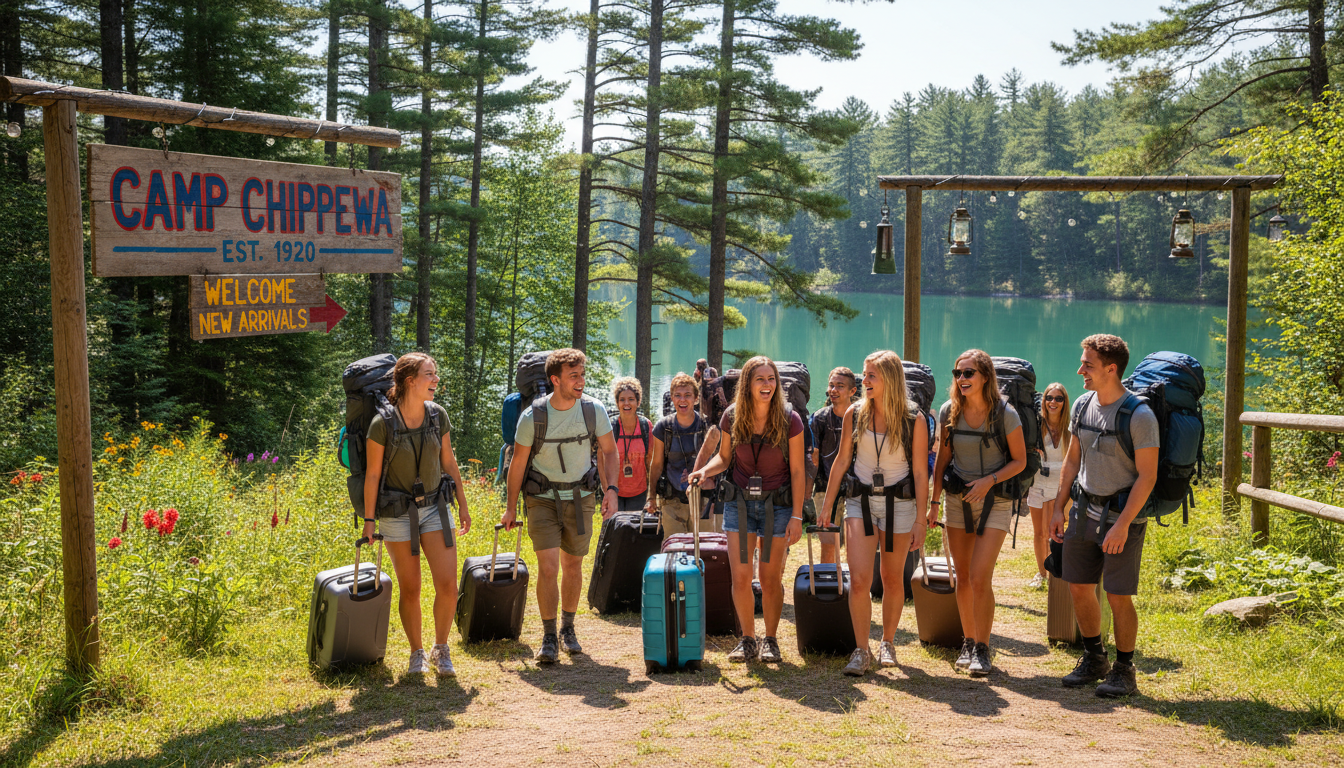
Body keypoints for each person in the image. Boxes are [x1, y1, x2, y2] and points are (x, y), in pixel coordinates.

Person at [1050, 334, 1158, 698]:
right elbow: (1072, 460)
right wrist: (1057, 507)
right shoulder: (1081, 405)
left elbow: (1148, 475)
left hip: (1121, 518)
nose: (1080, 370)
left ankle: (1124, 669)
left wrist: (1124, 525)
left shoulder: (1140, 416)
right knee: (1079, 587)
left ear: (1111, 369)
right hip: (1082, 511)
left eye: (1088, 365)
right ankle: (1094, 658)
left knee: (1117, 594)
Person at [504, 348, 620, 665]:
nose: (581, 381)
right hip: (541, 498)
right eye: (574, 376)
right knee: (549, 567)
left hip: (580, 498)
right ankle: (549, 635)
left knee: (572, 566)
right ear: (555, 379)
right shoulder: (533, 417)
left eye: (582, 374)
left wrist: (611, 490)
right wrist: (511, 507)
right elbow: (518, 463)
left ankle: (569, 628)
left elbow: (610, 452)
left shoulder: (594, 411)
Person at [690, 356, 806, 664]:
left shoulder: (790, 420)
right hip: (739, 505)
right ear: (748, 384)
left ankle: (770, 639)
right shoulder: (732, 416)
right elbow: (724, 458)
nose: (767, 385)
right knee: (741, 577)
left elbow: (797, 471)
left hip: (777, 508)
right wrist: (704, 471)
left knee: (769, 578)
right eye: (760, 379)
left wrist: (797, 515)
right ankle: (747, 639)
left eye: (771, 379)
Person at [362, 353, 472, 676]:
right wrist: (370, 521)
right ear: (410, 380)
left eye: (435, 374)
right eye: (429, 375)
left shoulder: (438, 416)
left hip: (436, 508)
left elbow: (449, 463)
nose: (436, 380)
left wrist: (463, 504)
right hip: (397, 514)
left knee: (448, 586)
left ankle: (441, 648)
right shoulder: (382, 424)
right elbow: (372, 475)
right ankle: (416, 652)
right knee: (411, 589)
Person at [819, 351, 928, 675]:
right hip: (860, 503)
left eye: (870, 377)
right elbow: (841, 461)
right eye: (864, 375)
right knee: (860, 579)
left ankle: (889, 643)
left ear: (889, 380)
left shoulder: (914, 420)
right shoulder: (855, 414)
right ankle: (861, 649)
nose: (863, 381)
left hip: (900, 505)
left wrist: (922, 519)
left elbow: (921, 473)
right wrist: (827, 507)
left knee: (893, 578)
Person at [930, 349, 1027, 678]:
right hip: (957, 500)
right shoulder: (949, 411)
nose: (961, 379)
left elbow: (1020, 461)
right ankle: (968, 642)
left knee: (980, 576)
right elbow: (941, 461)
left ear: (985, 376)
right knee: (963, 575)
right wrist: (932, 504)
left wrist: (989, 481)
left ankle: (983, 648)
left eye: (968, 373)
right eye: (957, 373)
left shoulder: (1005, 414)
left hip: (994, 501)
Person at [647, 372, 714, 538]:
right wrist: (651, 497)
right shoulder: (663, 427)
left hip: (703, 500)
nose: (682, 400)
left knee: (704, 550)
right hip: (672, 501)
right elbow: (656, 465)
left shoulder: (707, 426)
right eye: (677, 395)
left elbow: (718, 461)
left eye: (687, 395)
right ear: (672, 398)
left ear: (696, 398)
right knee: (675, 551)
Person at [811, 367, 860, 564]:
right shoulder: (819, 418)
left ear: (852, 391)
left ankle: (852, 587)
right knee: (828, 543)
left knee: (854, 541)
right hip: (824, 486)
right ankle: (829, 585)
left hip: (856, 488)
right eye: (831, 385)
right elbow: (814, 456)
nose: (834, 390)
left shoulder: (861, 417)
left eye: (840, 386)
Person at [1027, 383, 1071, 588]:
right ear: (1044, 401)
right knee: (1040, 533)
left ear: (1064, 402)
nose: (1053, 402)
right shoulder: (1036, 425)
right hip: (1038, 484)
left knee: (1058, 532)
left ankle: (1058, 571)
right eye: (1049, 398)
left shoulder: (1069, 429)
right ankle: (1041, 573)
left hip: (1061, 487)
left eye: (1058, 398)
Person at [611, 377, 651, 512]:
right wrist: (607, 490)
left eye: (631, 399)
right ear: (617, 403)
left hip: (640, 492)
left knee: (635, 531)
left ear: (638, 402)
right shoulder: (611, 427)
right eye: (622, 399)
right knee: (616, 532)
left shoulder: (646, 426)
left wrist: (652, 494)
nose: (626, 403)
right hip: (615, 491)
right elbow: (602, 460)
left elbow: (650, 461)